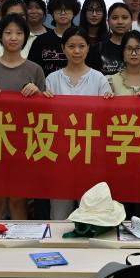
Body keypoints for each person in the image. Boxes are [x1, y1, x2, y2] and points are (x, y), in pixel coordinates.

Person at [0, 14, 47, 220]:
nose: (13, 37)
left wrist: (38, 94)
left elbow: (45, 112)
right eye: (8, 33)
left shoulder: (35, 70)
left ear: (25, 37)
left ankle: (20, 241)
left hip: (24, 144)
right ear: (0, 37)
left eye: (19, 33)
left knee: (18, 200)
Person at [44, 27, 112, 217]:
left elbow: (106, 117)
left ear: (88, 48)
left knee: (91, 210)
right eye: (71, 46)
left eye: (81, 46)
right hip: (60, 153)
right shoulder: (52, 79)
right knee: (60, 212)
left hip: (91, 153)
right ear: (63, 48)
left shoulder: (99, 79)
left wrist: (110, 102)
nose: (76, 51)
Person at [28, 0, 78, 75]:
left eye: (67, 9)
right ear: (52, 13)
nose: (63, 13)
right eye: (58, 9)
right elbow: (32, 71)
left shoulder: (81, 39)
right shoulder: (40, 40)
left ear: (74, 12)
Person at [108, 31, 140, 96]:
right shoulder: (111, 81)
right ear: (122, 52)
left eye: (138, 48)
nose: (134, 53)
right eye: (129, 49)